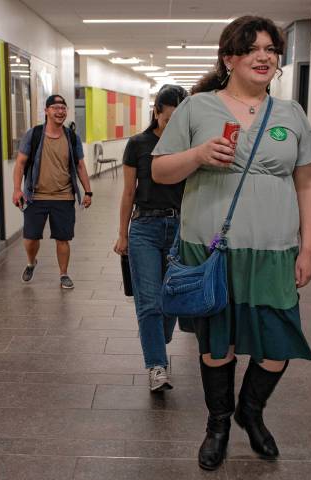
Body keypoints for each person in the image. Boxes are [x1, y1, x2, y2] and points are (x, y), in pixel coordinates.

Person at [152, 15, 311, 470]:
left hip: (273, 249)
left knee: (277, 344)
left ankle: (251, 409)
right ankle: (219, 423)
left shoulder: (291, 114)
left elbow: (307, 183)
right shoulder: (197, 108)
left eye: (271, 48)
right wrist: (198, 155)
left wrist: (307, 248)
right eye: (252, 48)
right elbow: (160, 170)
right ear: (230, 58)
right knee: (217, 342)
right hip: (210, 249)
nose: (264, 56)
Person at [113, 85, 188, 392]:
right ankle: (157, 366)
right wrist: (122, 235)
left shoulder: (189, 145)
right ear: (156, 112)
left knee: (170, 301)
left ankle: (158, 340)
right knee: (149, 302)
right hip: (144, 228)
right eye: (169, 119)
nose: (174, 127)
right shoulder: (138, 144)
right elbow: (128, 191)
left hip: (179, 228)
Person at [12, 94, 92, 289]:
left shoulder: (72, 137)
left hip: (64, 197)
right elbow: (20, 164)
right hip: (35, 196)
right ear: (46, 111)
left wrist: (88, 192)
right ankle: (32, 262)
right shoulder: (34, 134)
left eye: (63, 108)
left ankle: (64, 274)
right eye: (55, 107)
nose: (60, 111)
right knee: (30, 238)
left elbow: (80, 166)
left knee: (63, 238)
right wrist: (16, 190)